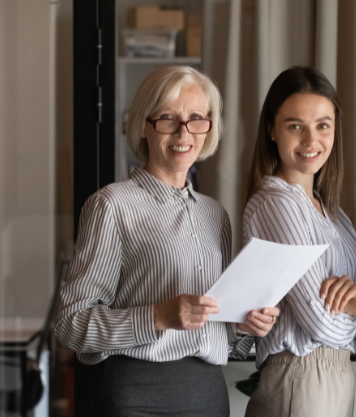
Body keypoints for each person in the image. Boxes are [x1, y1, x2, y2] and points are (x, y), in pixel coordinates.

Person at [55, 66, 279, 417]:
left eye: (196, 118)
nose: (183, 132)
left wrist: (240, 326)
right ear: (144, 126)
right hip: (136, 398)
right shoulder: (112, 205)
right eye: (168, 118)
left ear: (210, 126)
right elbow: (70, 323)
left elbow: (222, 340)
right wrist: (158, 316)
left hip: (208, 396)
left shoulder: (214, 215)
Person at [242, 66, 356, 417]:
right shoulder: (277, 204)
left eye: (323, 125)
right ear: (271, 129)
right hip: (301, 378)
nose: (311, 140)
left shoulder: (334, 213)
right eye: (294, 126)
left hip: (336, 377)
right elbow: (319, 321)